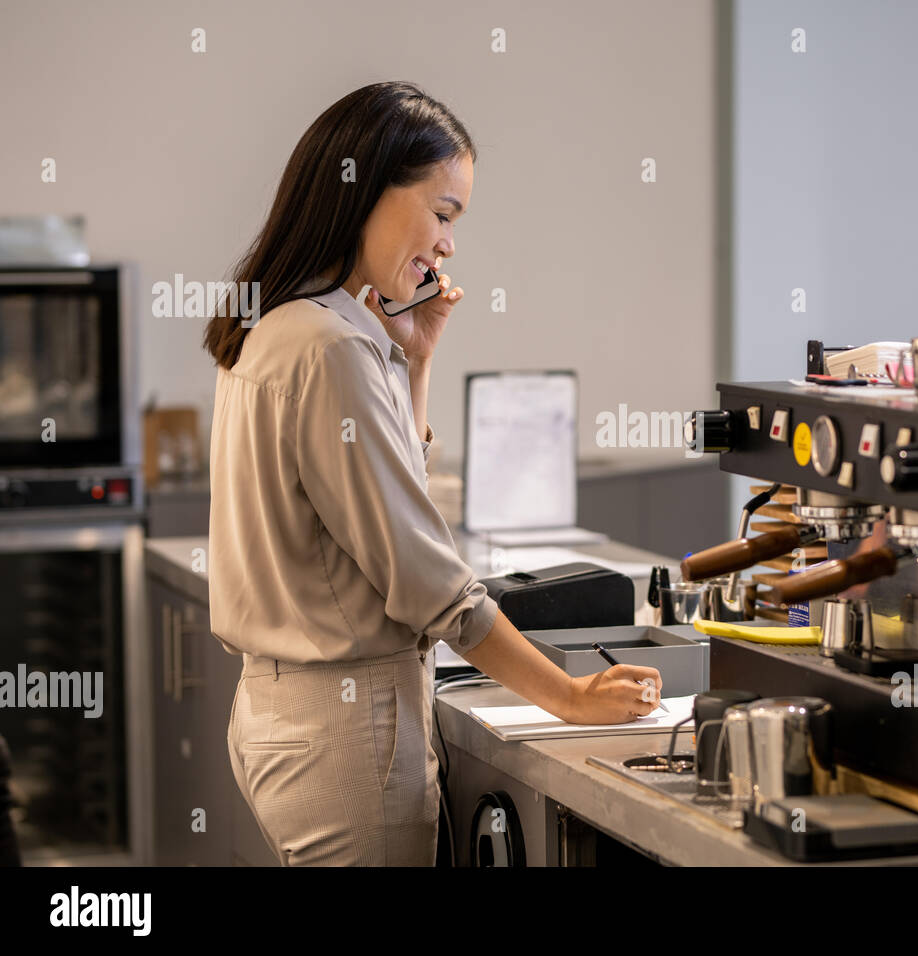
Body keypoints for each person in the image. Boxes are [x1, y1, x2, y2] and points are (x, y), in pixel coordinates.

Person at [202, 82, 660, 865]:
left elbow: (384, 501)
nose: (448, 244)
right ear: (364, 190)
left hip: (282, 717)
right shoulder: (331, 349)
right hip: (347, 736)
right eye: (442, 213)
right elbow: (424, 575)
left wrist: (414, 361)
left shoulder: (279, 326)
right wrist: (566, 693)